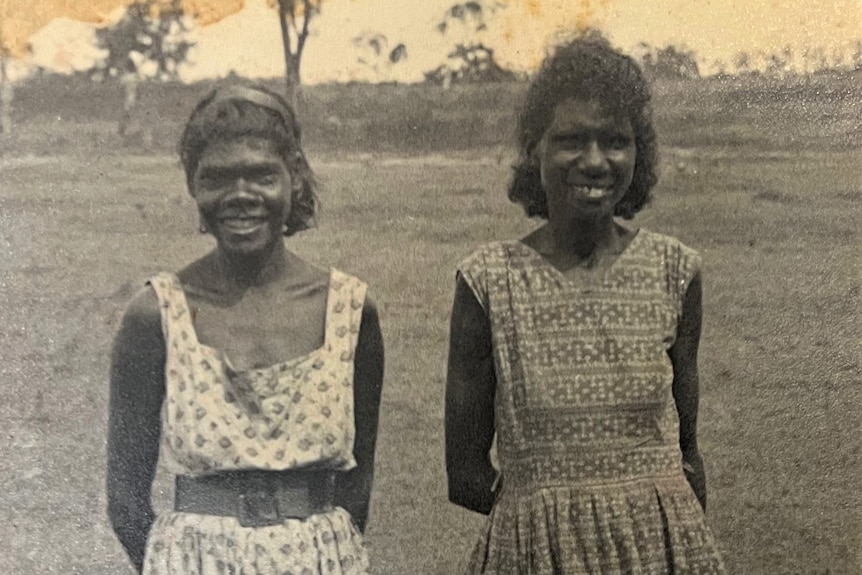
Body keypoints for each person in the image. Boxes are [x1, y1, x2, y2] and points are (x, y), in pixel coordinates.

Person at [445, 36, 726, 574]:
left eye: (615, 141)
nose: (595, 161)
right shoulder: (489, 283)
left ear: (638, 151)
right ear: (536, 149)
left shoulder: (675, 271)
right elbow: (465, 475)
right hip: (537, 553)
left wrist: (652, 520)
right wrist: (554, 520)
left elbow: (686, 455)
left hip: (660, 550)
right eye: (572, 139)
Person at [107, 84, 384, 575]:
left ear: (293, 178)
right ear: (193, 184)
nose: (240, 196)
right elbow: (126, 500)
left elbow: (355, 488)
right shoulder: (155, 314)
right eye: (217, 177)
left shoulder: (349, 310)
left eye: (261, 175)